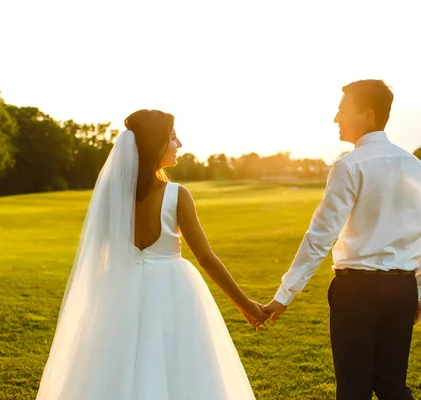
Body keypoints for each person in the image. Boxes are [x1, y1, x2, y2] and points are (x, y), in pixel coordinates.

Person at [36, 109, 267, 399]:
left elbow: (99, 250)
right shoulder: (177, 194)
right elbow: (206, 257)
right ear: (157, 143)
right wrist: (245, 305)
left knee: (119, 366)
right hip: (173, 290)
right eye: (172, 138)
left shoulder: (113, 196)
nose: (179, 144)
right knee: (180, 368)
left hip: (120, 288)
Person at [263, 80, 421, 400]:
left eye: (343, 109)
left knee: (354, 388)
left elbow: (320, 237)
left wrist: (284, 295)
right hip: (402, 290)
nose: (336, 118)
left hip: (357, 291)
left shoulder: (349, 165)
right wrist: (419, 290)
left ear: (368, 115)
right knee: (391, 385)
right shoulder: (416, 165)